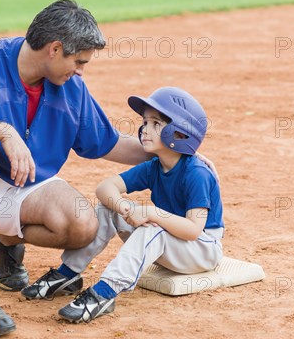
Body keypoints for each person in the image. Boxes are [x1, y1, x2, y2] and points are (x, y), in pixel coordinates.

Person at [0, 0, 153, 338]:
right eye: (78, 61)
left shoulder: (70, 89)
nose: (81, 70)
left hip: (12, 188)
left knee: (83, 224)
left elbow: (108, 142)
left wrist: (172, 154)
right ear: (55, 49)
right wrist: (0, 131)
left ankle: (2, 239)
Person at [24, 86, 225, 323]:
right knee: (108, 209)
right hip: (171, 241)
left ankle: (105, 292)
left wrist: (152, 213)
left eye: (156, 124)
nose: (144, 130)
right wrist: (124, 207)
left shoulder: (196, 174)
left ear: (180, 134)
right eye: (145, 122)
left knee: (152, 228)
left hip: (202, 249)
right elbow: (105, 188)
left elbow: (193, 230)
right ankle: (68, 274)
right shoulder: (155, 166)